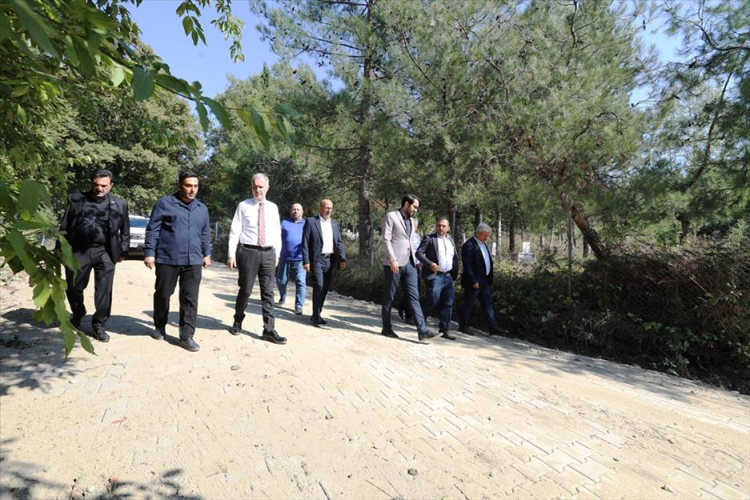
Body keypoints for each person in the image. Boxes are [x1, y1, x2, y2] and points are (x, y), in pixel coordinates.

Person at [60, 169, 130, 343]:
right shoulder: (76, 199)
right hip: (78, 251)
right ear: (91, 183)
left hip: (105, 252)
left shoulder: (120, 204)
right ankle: (78, 312)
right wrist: (60, 250)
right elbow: (64, 225)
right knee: (74, 286)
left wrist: (122, 251)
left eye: (104, 185)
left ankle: (99, 324)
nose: (99, 188)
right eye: (96, 184)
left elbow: (125, 231)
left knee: (104, 290)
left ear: (111, 185)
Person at [144, 172, 212, 352]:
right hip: (168, 258)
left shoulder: (202, 208)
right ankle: (160, 326)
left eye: (195, 186)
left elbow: (205, 232)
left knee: (190, 298)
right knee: (163, 294)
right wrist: (150, 253)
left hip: (193, 260)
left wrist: (206, 253)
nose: (192, 190)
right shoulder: (164, 203)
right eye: (188, 185)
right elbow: (153, 229)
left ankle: (186, 336)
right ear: (180, 185)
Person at [227, 173, 286, 345]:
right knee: (245, 290)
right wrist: (231, 254)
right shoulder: (243, 206)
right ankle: (238, 321)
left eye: (261, 187)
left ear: (267, 187)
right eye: (255, 187)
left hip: (268, 253)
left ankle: (269, 329)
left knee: (268, 292)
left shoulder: (273, 207)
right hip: (248, 252)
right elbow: (235, 230)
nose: (257, 190)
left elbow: (276, 232)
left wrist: (277, 254)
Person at [381, 194, 437, 342]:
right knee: (389, 297)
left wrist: (417, 261)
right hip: (393, 263)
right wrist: (392, 259)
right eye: (414, 207)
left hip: (410, 264)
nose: (416, 210)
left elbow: (411, 242)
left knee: (414, 297)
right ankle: (386, 328)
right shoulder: (391, 216)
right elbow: (386, 239)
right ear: (406, 204)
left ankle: (422, 331)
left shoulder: (412, 221)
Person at [302, 199, 346, 327]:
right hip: (317, 259)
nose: (328, 210)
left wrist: (342, 258)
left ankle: (317, 313)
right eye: (326, 207)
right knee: (319, 285)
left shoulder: (334, 224)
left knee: (325, 288)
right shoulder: (311, 222)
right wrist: (306, 261)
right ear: (320, 208)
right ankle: (316, 316)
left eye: (330, 208)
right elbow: (305, 242)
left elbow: (339, 242)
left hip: (330, 260)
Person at [417, 217, 460, 340]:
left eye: (443, 226)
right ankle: (419, 321)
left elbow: (454, 258)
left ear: (448, 228)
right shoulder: (429, 238)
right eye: (439, 225)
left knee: (448, 304)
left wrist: (454, 272)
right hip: (435, 276)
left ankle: (444, 330)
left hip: (448, 276)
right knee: (433, 300)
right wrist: (429, 264)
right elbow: (418, 253)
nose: (441, 228)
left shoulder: (451, 240)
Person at [459, 222, 503, 336]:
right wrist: (473, 280)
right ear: (478, 233)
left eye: (487, 235)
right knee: (468, 304)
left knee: (488, 304)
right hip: (473, 282)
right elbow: (467, 265)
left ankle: (492, 327)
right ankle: (463, 326)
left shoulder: (483, 244)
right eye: (485, 235)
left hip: (484, 281)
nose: (486, 237)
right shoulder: (469, 245)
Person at [277, 203, 306, 315]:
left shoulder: (306, 224)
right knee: (281, 281)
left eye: (298, 209)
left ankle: (299, 305)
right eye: (294, 209)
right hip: (284, 257)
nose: (296, 211)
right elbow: (276, 238)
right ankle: (283, 296)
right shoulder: (284, 223)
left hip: (300, 259)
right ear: (290, 211)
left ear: (302, 212)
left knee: (301, 282)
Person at [397, 229, 423, 324]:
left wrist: (420, 263)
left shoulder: (417, 237)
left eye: (416, 224)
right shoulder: (403, 235)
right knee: (406, 290)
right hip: (402, 264)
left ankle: (404, 307)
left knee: (414, 291)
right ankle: (408, 314)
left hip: (415, 266)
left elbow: (419, 251)